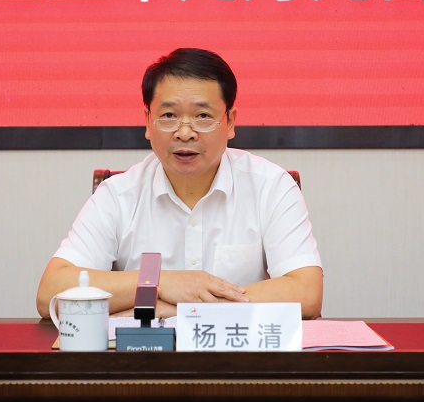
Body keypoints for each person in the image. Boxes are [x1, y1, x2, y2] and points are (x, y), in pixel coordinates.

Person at [36, 48, 322, 319]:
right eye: (169, 116)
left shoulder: (271, 187)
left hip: (241, 352)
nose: (185, 133)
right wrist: (158, 283)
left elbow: (307, 293)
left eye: (203, 116)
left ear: (230, 122)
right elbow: (51, 293)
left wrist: (182, 311)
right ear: (148, 122)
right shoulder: (118, 196)